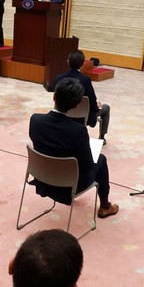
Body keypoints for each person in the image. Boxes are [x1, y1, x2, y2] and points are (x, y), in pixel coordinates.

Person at [30, 77, 119, 218]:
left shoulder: (35, 119)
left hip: (42, 178)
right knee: (101, 160)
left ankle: (105, 206)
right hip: (68, 185)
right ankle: (105, 206)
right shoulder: (77, 130)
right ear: (77, 105)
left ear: (54, 96)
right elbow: (88, 165)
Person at [53, 49, 111, 142]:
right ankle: (102, 138)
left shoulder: (58, 78)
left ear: (68, 61)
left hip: (62, 113)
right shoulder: (85, 80)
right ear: (83, 63)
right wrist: (97, 106)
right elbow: (92, 101)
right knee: (106, 108)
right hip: (83, 117)